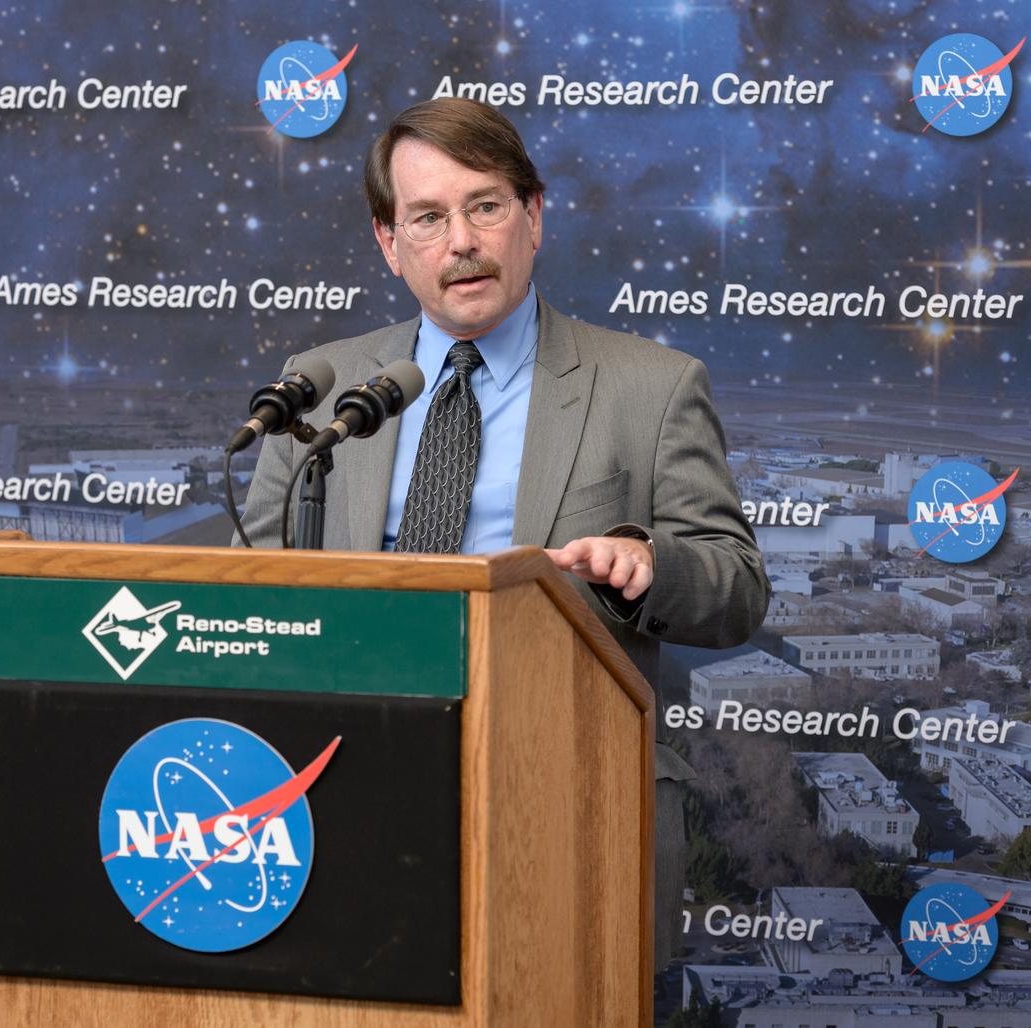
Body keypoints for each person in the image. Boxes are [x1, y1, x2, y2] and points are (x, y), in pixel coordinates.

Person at [237, 97, 769, 967]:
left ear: (532, 217)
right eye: (428, 217)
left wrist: (645, 567)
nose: (462, 242)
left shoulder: (653, 385)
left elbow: (736, 590)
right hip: (339, 806)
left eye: (485, 206)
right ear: (389, 241)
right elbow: (246, 579)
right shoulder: (322, 385)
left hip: (566, 815)